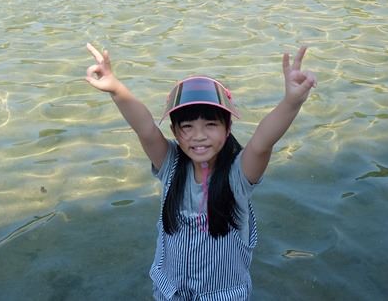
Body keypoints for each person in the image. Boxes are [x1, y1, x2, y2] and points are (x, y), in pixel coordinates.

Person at [84, 43, 316, 299]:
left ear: (227, 129)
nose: (199, 136)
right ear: (174, 132)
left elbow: (262, 142)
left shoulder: (238, 175)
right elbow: (146, 129)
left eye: (210, 124)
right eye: (187, 126)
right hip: (170, 290)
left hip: (221, 294)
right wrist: (115, 88)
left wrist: (291, 102)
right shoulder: (170, 164)